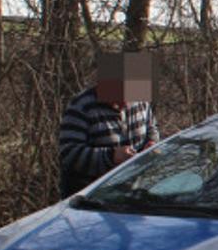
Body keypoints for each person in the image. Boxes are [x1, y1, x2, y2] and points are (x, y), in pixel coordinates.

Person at [58, 52, 159, 198]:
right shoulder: (81, 107)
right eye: (120, 94)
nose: (125, 103)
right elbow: (69, 154)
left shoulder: (141, 100)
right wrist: (111, 156)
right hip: (89, 199)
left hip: (133, 194)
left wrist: (152, 143)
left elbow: (152, 128)